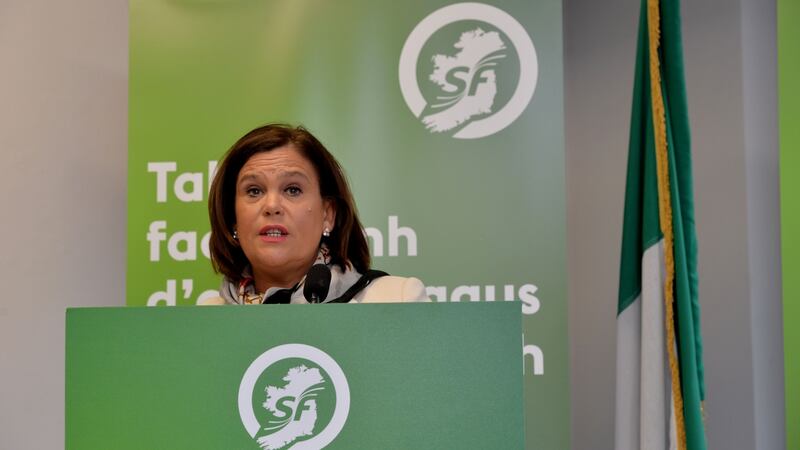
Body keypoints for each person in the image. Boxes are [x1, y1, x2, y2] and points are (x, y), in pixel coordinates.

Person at [200, 123, 428, 305]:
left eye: (292, 190)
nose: (271, 205)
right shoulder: (205, 322)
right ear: (233, 218)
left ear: (328, 214)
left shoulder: (398, 300)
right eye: (254, 191)